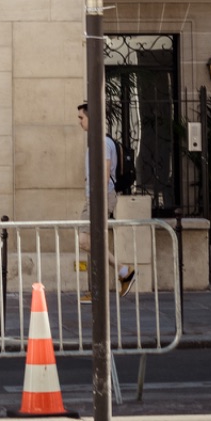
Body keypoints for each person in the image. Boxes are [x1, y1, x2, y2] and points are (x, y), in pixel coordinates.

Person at [76, 103, 134, 300]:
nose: (80, 122)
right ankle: (97, 289)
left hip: (99, 197)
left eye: (81, 118)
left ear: (91, 118)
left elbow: (104, 171)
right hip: (97, 196)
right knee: (92, 242)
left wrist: (97, 199)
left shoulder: (101, 142)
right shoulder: (98, 141)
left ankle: (123, 271)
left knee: (85, 241)